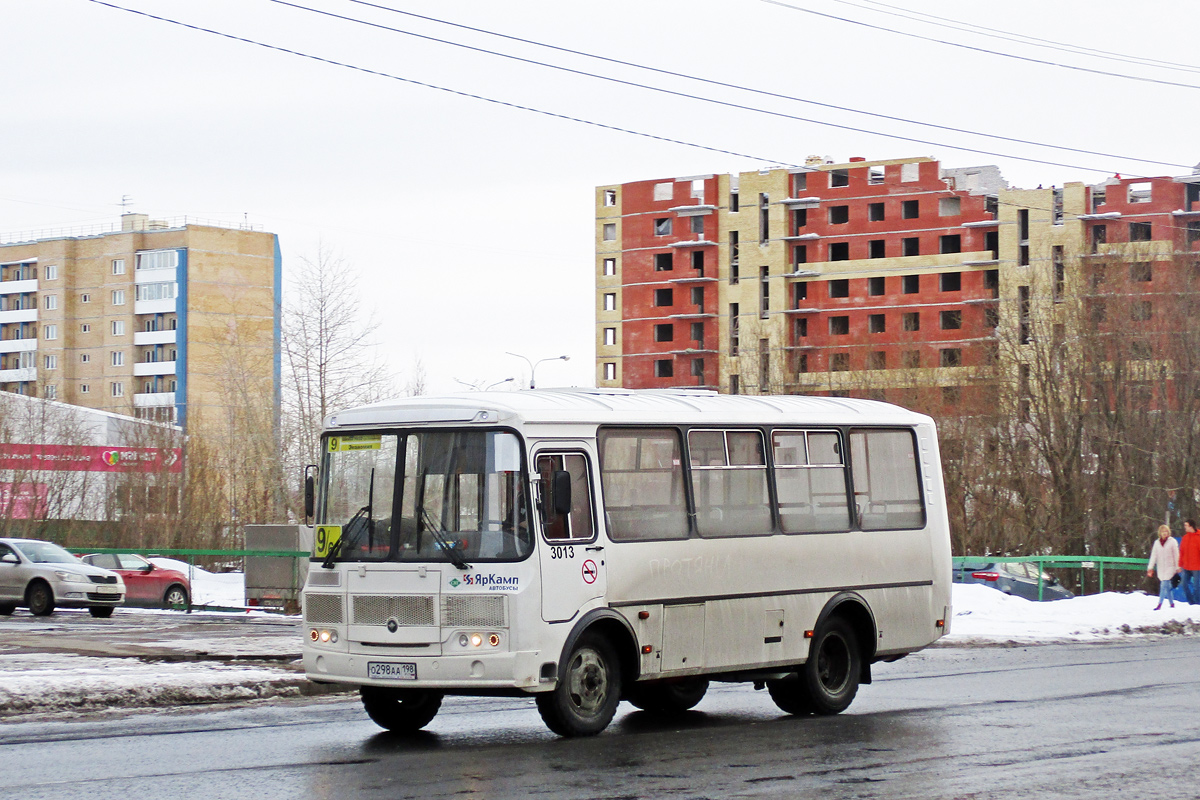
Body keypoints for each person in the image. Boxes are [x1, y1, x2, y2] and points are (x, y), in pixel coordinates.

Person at [1147, 524, 1180, 610]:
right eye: (1163, 531)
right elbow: (1154, 555)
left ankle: (1159, 604)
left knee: (1163, 584)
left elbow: (1176, 555)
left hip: (1170, 567)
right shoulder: (1157, 543)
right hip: (1161, 567)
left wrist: (1177, 567)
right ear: (1160, 533)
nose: (1164, 533)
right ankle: (1172, 603)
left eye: (1166, 531)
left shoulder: (1172, 541)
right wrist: (1150, 567)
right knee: (1167, 586)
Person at [1178, 519, 1200, 604]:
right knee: (1184, 584)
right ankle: (1191, 602)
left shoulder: (1198, 537)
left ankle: (1197, 603)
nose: (1185, 527)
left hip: (1196, 566)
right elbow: (1181, 552)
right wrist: (1180, 565)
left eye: (1186, 525)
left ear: (1191, 526)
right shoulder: (1185, 538)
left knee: (1196, 586)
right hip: (1186, 566)